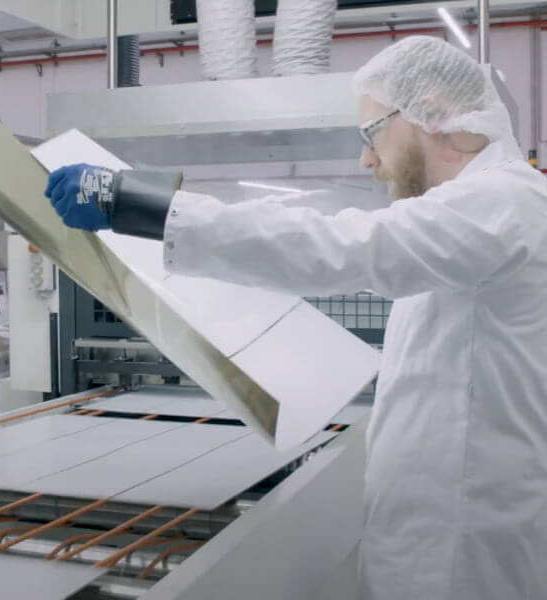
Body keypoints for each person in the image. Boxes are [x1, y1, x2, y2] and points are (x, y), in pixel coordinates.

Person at [45, 35, 547, 600]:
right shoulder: (467, 212)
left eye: (370, 132)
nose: (366, 158)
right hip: (433, 524)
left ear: (427, 112)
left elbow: (346, 248)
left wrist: (143, 206)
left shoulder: (504, 203)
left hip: (462, 549)